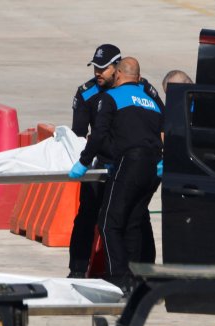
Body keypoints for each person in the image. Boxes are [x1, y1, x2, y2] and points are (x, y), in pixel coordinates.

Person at [69, 57, 163, 292]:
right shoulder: (150, 99)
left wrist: (82, 162)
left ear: (119, 74)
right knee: (134, 222)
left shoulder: (112, 97)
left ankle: (119, 278)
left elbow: (99, 134)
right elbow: (163, 131)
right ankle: (137, 279)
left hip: (129, 163)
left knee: (109, 222)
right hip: (153, 168)